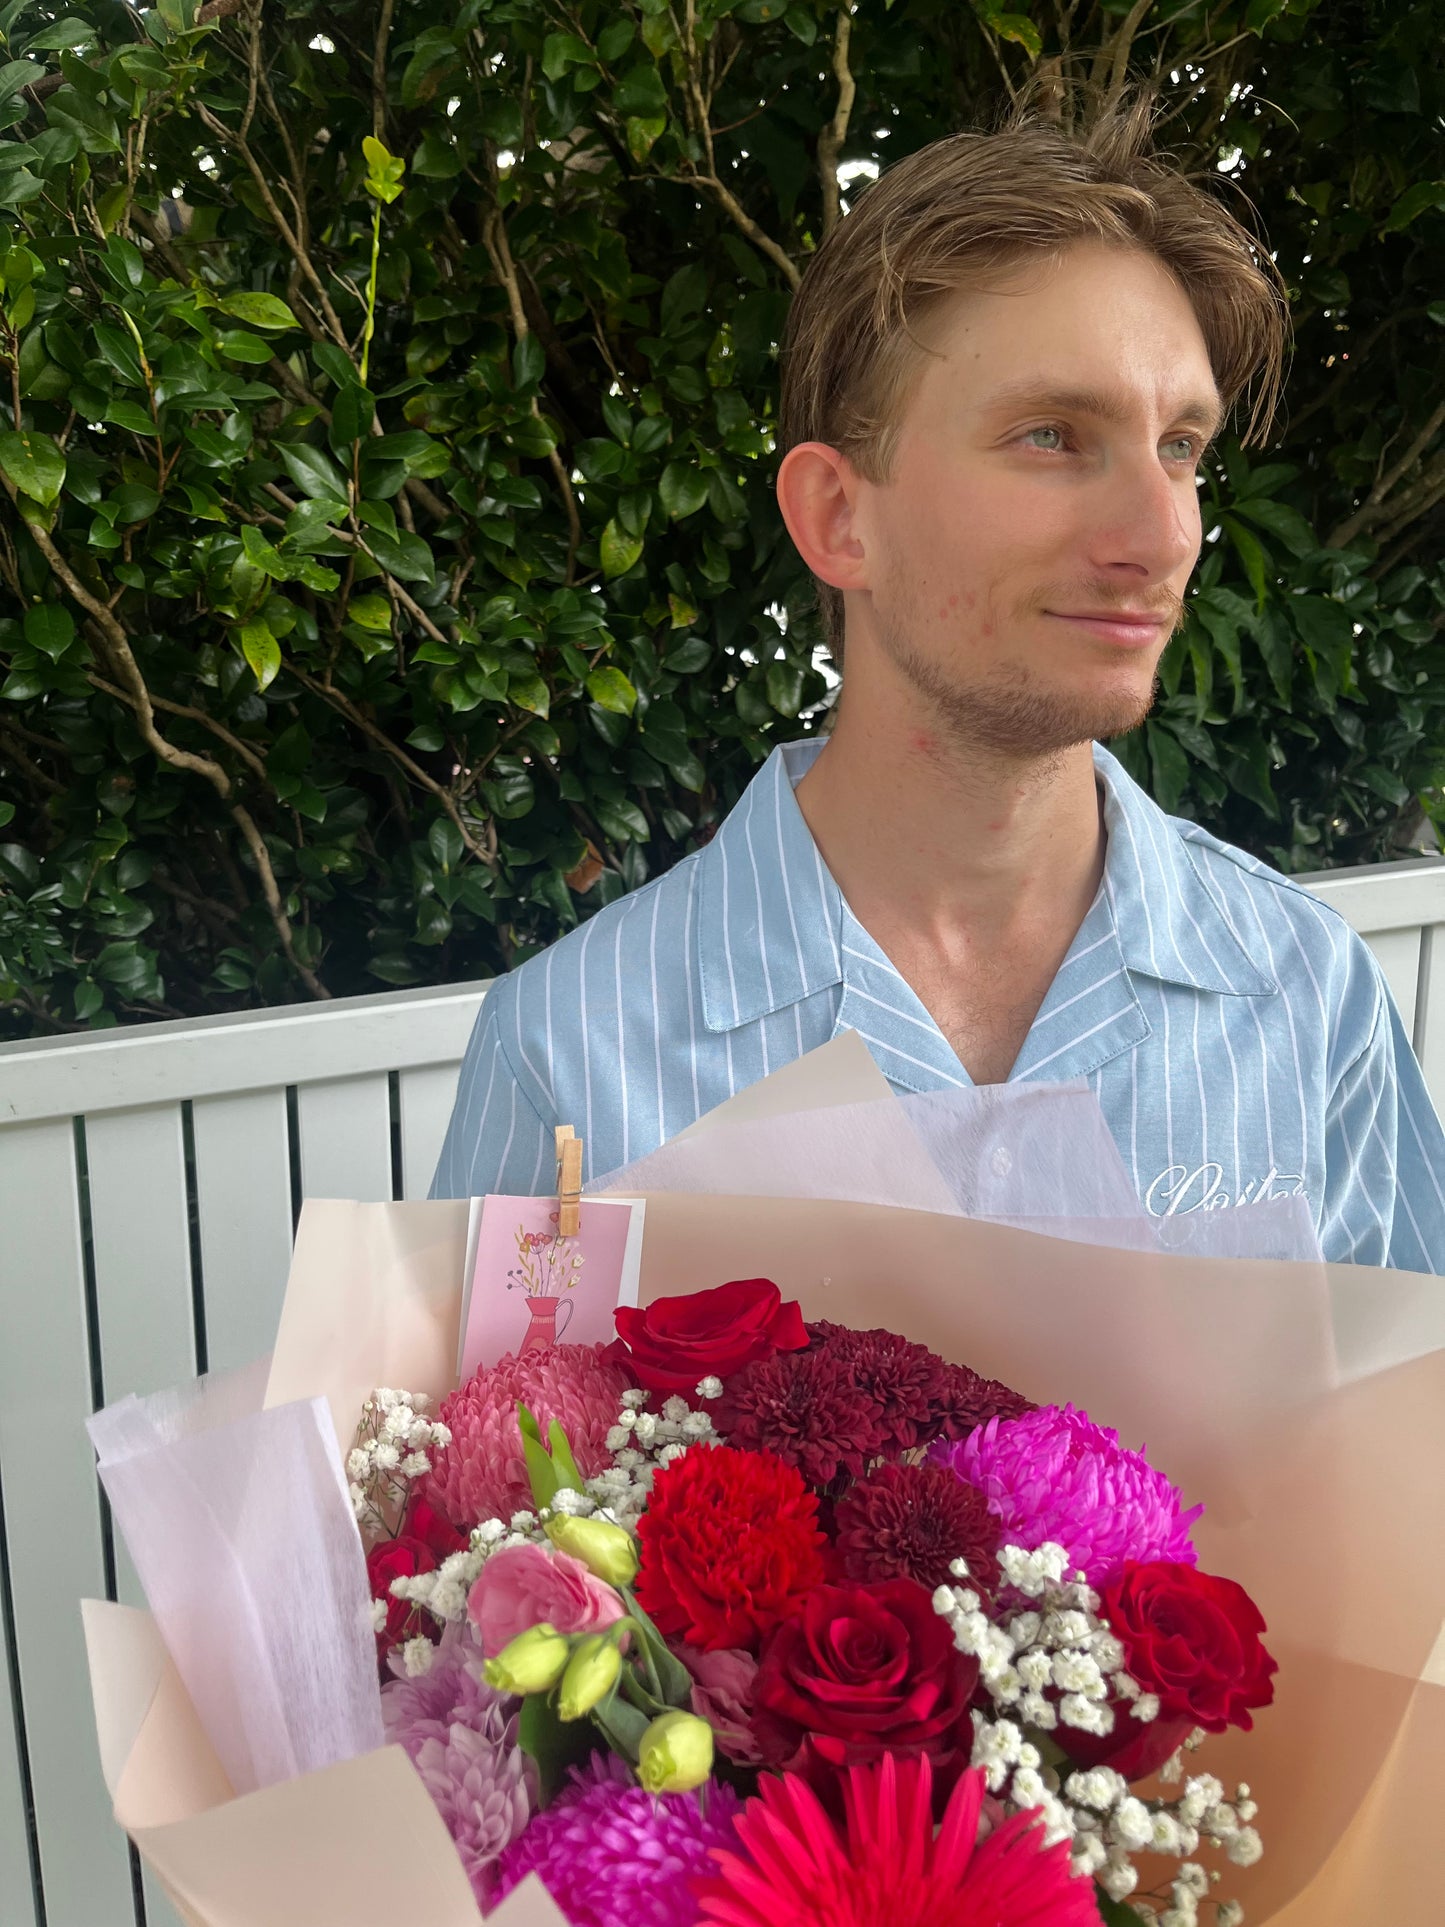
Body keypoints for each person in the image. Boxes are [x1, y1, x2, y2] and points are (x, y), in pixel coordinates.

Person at [433, 100, 1445, 1270]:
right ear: (836, 516)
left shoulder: (1305, 1001)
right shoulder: (571, 1054)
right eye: (1052, 436)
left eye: (1180, 445)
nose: (1162, 534)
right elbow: (492, 1451)